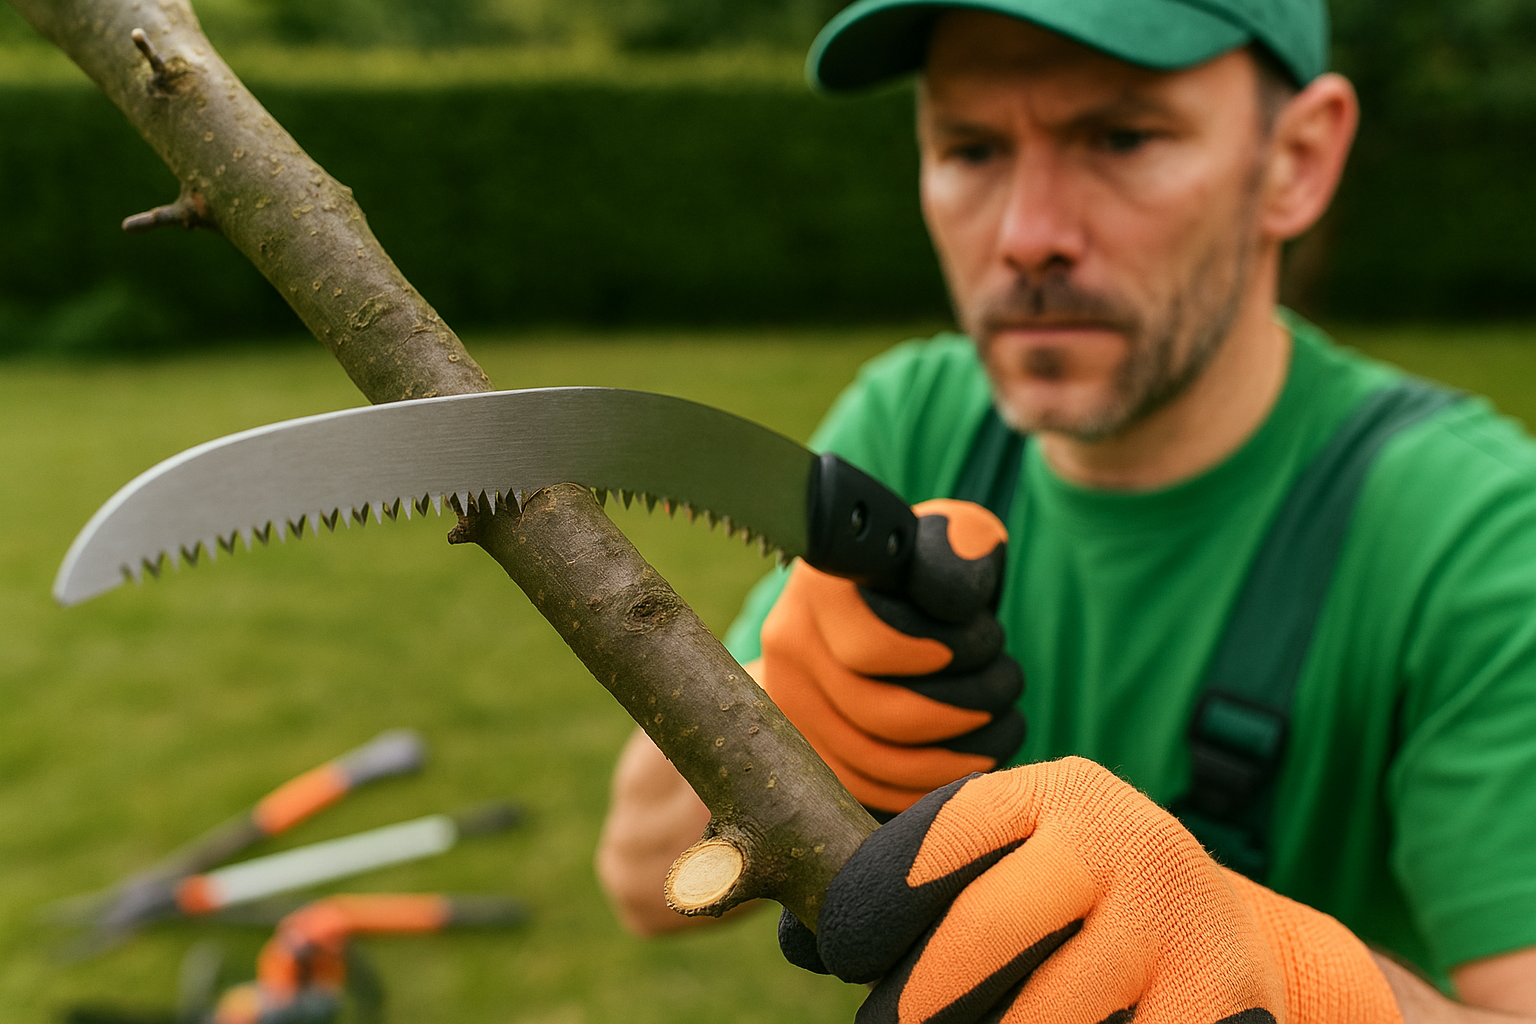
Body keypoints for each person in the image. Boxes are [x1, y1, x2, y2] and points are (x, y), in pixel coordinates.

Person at [597, 0, 1536, 1020]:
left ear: (1296, 159)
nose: (1028, 236)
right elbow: (646, 875)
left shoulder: (1480, 535)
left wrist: (1314, 989)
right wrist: (793, 700)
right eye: (970, 147)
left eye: (1122, 138)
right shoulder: (916, 423)